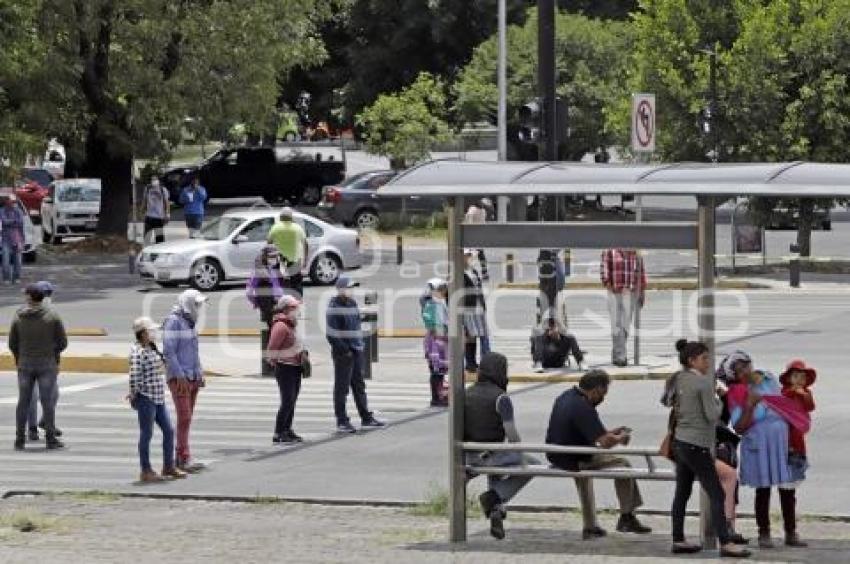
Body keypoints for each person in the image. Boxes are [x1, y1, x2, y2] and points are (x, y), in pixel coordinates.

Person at [663, 339, 751, 557]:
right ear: (692, 360)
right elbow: (713, 416)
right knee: (717, 493)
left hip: (680, 442)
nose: (708, 362)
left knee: (682, 492)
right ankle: (726, 542)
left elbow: (666, 401)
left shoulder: (676, 378)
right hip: (698, 444)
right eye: (704, 359)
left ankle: (678, 539)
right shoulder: (703, 383)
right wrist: (719, 398)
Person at [545, 370, 651, 539]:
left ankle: (590, 526)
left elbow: (593, 433)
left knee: (584, 476)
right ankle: (626, 516)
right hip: (575, 458)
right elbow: (605, 443)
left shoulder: (566, 397)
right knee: (624, 465)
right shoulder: (584, 407)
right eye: (603, 393)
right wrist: (621, 438)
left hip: (559, 455)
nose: (603, 398)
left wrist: (612, 433)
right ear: (595, 390)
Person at [729, 364, 809, 548]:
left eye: (747, 365)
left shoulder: (768, 379)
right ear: (734, 375)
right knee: (763, 490)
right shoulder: (738, 393)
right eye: (740, 370)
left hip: (784, 444)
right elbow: (739, 426)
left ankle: (791, 532)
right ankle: (763, 533)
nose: (746, 371)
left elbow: (790, 405)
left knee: (787, 490)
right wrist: (750, 404)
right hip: (760, 446)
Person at [465, 352, 538, 540]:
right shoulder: (501, 398)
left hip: (468, 456)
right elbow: (511, 433)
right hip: (492, 454)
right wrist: (520, 453)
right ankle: (494, 497)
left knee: (497, 468)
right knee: (533, 465)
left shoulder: (466, 393)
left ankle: (496, 510)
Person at [128, 316, 187, 483]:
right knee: (146, 434)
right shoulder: (138, 352)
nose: (154, 333)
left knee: (169, 430)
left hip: (158, 396)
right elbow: (134, 375)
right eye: (151, 330)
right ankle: (145, 470)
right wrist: (133, 393)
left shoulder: (152, 348)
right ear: (143, 333)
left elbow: (161, 365)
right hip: (146, 397)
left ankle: (168, 466)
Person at [10, 283, 68, 450]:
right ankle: (50, 438)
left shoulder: (19, 317)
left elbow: (12, 343)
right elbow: (63, 342)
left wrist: (19, 359)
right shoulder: (52, 316)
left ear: (29, 297)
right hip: (47, 364)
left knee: (23, 401)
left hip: (25, 364)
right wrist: (53, 354)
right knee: (47, 401)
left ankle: (20, 439)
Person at [326, 276, 385, 434]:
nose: (351, 290)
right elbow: (332, 334)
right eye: (349, 287)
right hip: (344, 354)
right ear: (340, 289)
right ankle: (342, 421)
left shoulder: (352, 303)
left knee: (359, 385)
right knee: (342, 388)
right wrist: (345, 350)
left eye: (352, 287)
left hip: (356, 350)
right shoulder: (334, 307)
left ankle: (366, 417)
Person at [162, 289, 208, 473]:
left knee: (187, 419)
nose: (199, 307)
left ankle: (183, 456)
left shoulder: (189, 322)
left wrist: (199, 373)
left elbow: (193, 351)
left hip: (192, 376)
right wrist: (180, 375)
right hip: (179, 378)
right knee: (184, 417)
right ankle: (182, 457)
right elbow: (169, 351)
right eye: (196, 304)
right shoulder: (174, 321)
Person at [267, 295, 306, 444]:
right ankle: (279, 432)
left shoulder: (291, 324)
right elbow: (272, 348)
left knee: (292, 400)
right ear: (286, 309)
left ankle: (287, 429)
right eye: (294, 307)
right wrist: (276, 361)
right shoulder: (281, 326)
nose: (297, 309)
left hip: (295, 367)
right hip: (285, 368)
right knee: (287, 400)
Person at [27, 281, 63, 442]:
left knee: (53, 394)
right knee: (32, 397)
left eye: (49, 294)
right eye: (45, 294)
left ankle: (46, 423)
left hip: (48, 363)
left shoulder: (53, 316)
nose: (47, 298)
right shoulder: (25, 314)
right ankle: (32, 428)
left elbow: (59, 341)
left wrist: (56, 361)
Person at [600, 248, 646, 367]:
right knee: (616, 324)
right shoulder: (610, 251)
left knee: (625, 325)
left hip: (629, 293)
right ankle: (621, 356)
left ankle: (617, 354)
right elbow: (604, 271)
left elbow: (641, 274)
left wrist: (642, 293)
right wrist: (608, 284)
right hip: (614, 292)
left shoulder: (636, 253)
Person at [267, 207, 308, 299]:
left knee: (279, 284)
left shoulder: (275, 228)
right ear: (291, 217)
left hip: (279, 261)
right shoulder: (297, 228)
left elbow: (269, 243)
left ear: (281, 217)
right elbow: (305, 244)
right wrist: (305, 260)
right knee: (296, 284)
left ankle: (281, 303)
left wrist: (269, 258)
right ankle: (297, 303)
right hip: (295, 261)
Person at [420, 278, 448, 407]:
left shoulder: (438, 303)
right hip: (436, 341)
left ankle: (439, 396)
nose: (444, 291)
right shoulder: (432, 305)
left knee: (439, 370)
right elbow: (433, 325)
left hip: (439, 339)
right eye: (441, 289)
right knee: (436, 370)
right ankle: (436, 398)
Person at [462, 248, 490, 373]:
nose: (468, 257)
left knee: (484, 335)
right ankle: (471, 363)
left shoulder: (473, 271)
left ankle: (486, 362)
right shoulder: (457, 273)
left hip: (478, 307)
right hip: (467, 309)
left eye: (469, 255)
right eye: (466, 255)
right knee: (471, 337)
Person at [246, 245, 286, 328]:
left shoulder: (272, 269)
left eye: (276, 256)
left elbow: (278, 286)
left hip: (276, 304)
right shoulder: (259, 272)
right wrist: (256, 303)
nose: (274, 258)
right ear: (265, 257)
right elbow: (249, 292)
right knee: (270, 329)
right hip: (268, 306)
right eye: (272, 256)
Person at [1, 193, 26, 285]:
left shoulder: (18, 211)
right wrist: (14, 221)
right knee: (5, 260)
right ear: (6, 201)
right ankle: (6, 278)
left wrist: (23, 240)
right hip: (6, 239)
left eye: (14, 201)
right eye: (11, 201)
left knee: (18, 261)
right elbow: (4, 221)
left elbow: (20, 223)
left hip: (17, 238)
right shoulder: (2, 210)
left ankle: (17, 277)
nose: (12, 203)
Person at [464, 203, 489, 281]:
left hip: (472, 235)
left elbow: (469, 220)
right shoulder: (483, 211)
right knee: (481, 254)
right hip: (481, 234)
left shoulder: (472, 209)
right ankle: (484, 272)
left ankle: (471, 272)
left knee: (469, 254)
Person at [142, 178, 171, 244]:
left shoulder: (163, 189)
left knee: (159, 238)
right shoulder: (147, 189)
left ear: (158, 181)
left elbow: (167, 202)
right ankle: (146, 250)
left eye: (155, 179)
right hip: (149, 216)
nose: (154, 181)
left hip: (159, 217)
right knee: (146, 237)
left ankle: (159, 251)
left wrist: (168, 214)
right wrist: (142, 212)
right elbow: (144, 201)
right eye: (152, 179)